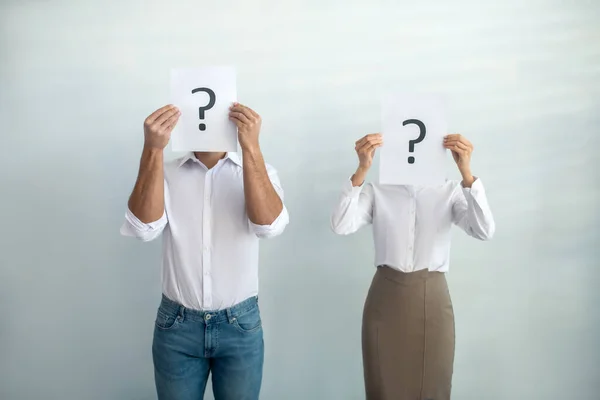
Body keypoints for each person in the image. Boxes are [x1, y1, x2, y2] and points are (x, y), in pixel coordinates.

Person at [120, 103, 289, 400]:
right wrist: (152, 149)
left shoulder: (261, 171)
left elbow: (269, 227)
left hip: (241, 324)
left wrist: (250, 147)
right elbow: (143, 229)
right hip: (177, 326)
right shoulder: (166, 173)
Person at [331, 133, 495, 400]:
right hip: (385, 302)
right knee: (382, 389)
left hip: (432, 303)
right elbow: (340, 224)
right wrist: (361, 169)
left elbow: (484, 230)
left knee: (433, 388)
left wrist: (466, 173)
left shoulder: (450, 190)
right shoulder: (378, 189)